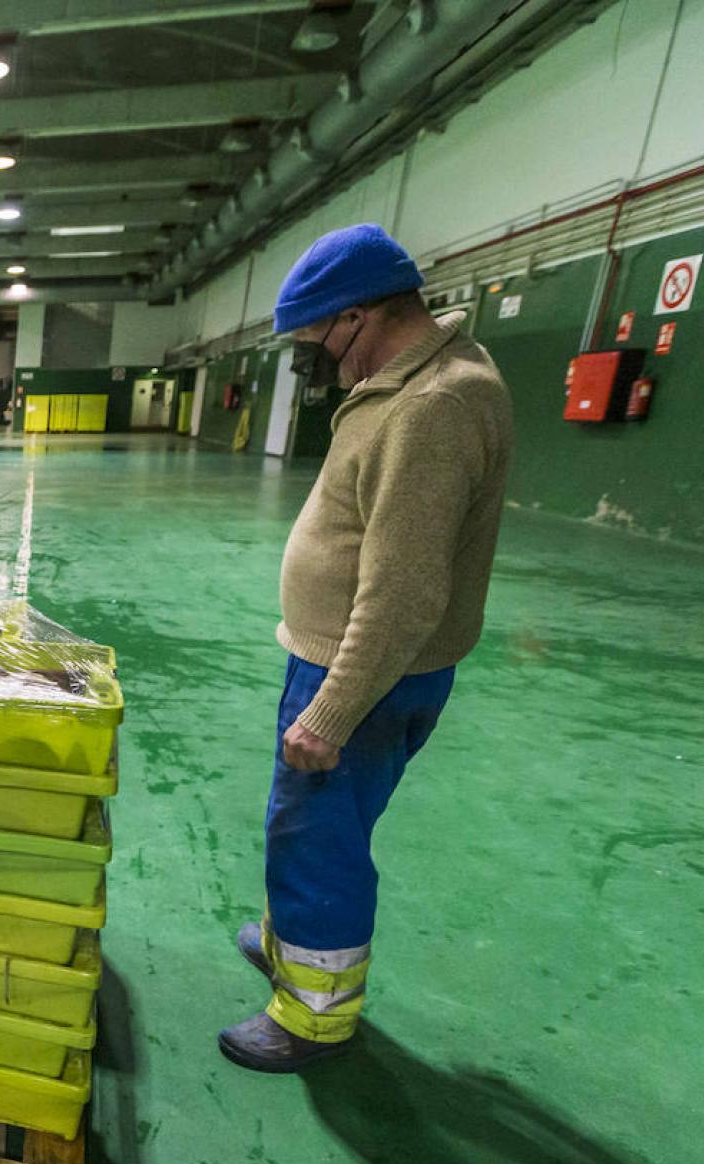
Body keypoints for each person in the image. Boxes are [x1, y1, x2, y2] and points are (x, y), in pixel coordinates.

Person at [220, 223, 514, 1072]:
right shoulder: (418, 384)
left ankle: (311, 1016)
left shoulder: (431, 406)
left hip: (363, 671)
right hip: (355, 657)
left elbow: (405, 592)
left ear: (360, 316)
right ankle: (293, 945)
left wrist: (333, 709)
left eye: (320, 342)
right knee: (316, 827)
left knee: (318, 835)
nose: (322, 363)